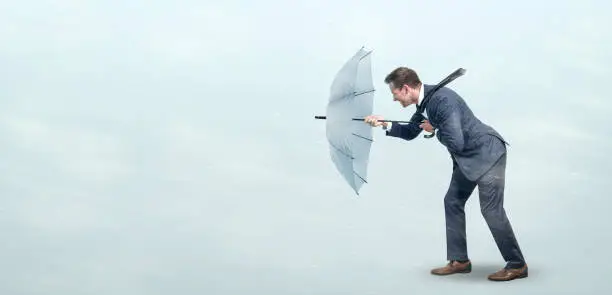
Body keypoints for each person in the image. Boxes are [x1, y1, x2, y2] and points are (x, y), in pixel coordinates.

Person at [364, 67, 527, 281]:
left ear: (405, 88)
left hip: (488, 154)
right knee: (452, 201)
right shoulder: (424, 104)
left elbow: (456, 142)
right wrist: (384, 123)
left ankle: (517, 265)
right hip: (467, 159)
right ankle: (460, 261)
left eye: (394, 94)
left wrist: (435, 130)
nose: (394, 99)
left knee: (491, 210)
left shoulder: (442, 101)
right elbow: (410, 132)